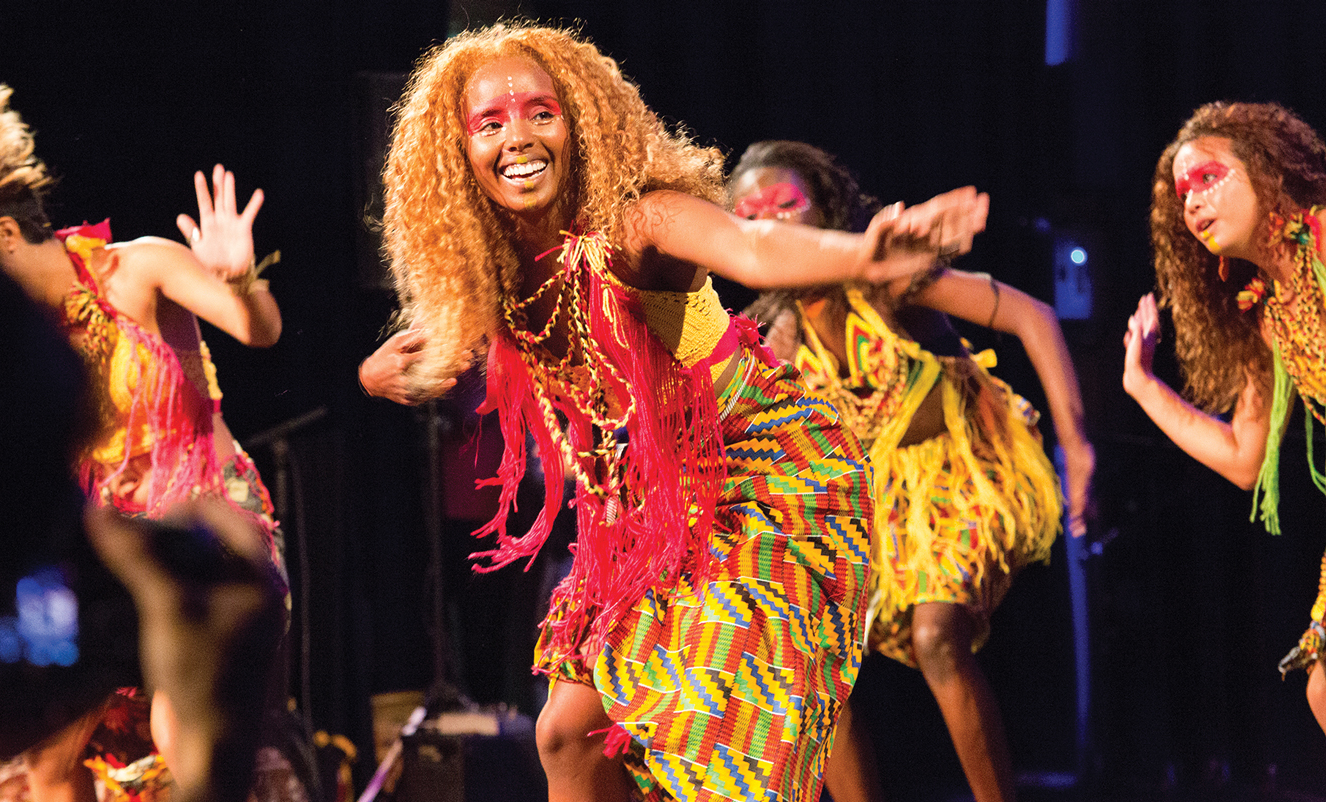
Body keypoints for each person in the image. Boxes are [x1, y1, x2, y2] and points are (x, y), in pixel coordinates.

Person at [375, 23, 988, 802]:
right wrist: (375, 374)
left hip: (758, 483)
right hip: (645, 510)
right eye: (489, 123)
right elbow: (433, 344)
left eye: (541, 113)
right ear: (456, 151)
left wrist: (866, 253)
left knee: (719, 743)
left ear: (579, 123)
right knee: (566, 734)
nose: (518, 137)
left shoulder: (638, 223)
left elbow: (754, 247)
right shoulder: (493, 275)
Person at [0, 80, 288, 802]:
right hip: (112, 552)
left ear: (7, 235)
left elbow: (257, 329)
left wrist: (239, 278)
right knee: (47, 756)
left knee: (181, 726)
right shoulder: (20, 344)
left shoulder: (139, 268)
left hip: (205, 528)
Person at [731, 141, 1092, 802]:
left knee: (936, 635)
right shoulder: (772, 335)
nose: (771, 225)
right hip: (879, 498)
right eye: (751, 217)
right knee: (812, 652)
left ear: (824, 210)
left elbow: (1032, 317)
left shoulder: (887, 282)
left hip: (967, 468)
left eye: (786, 205)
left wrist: (1079, 448)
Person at [1123, 101, 1326, 731]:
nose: (1193, 202)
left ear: (1269, 170)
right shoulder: (1269, 313)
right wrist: (1142, 386)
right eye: (1184, 194)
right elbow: (1245, 459)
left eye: (1208, 178)